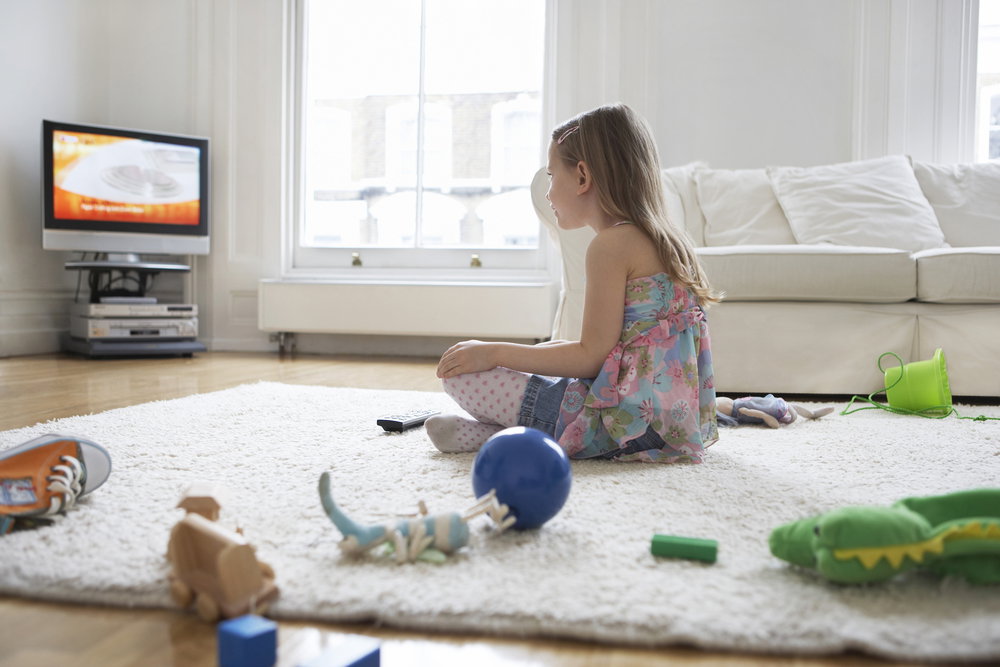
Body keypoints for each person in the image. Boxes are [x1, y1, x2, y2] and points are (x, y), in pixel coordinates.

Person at [426, 103, 720, 463]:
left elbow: (590, 357)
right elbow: (612, 349)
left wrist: (493, 352)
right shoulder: (669, 239)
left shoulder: (610, 246)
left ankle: (523, 436)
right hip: (669, 423)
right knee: (544, 370)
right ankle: (496, 437)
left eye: (551, 175)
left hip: (622, 426)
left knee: (461, 378)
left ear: (582, 177)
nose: (548, 192)